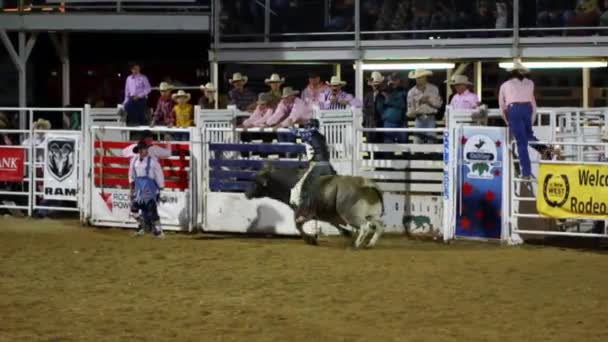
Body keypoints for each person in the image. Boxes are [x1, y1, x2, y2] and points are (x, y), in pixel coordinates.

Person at [499, 60, 558, 180]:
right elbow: (533, 104)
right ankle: (546, 149)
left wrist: (507, 120)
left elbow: (502, 105)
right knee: (529, 136)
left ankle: (526, 172)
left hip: (514, 110)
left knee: (521, 142)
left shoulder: (505, 85)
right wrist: (532, 118)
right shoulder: (530, 84)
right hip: (527, 109)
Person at [288, 119, 337, 223]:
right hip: (328, 165)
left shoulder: (309, 134)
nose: (306, 127)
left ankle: (305, 213)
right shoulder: (321, 136)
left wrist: (290, 125)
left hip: (318, 166)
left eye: (307, 125)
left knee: (305, 187)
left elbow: (294, 132)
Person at [129, 140, 165, 238]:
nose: (142, 151)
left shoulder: (153, 162)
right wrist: (131, 189)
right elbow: (131, 175)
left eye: (144, 149)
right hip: (138, 188)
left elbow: (159, 175)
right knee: (134, 209)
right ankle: (142, 225)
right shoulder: (134, 161)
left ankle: (159, 231)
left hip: (150, 188)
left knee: (152, 210)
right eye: (141, 149)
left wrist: (161, 188)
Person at [406, 69, 443, 144]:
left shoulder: (434, 89)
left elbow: (439, 105)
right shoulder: (411, 92)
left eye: (420, 77)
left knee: (431, 141)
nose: (418, 79)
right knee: (417, 142)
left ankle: (431, 155)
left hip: (431, 118)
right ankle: (418, 155)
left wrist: (429, 101)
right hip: (418, 118)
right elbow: (410, 111)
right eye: (417, 78)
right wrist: (419, 103)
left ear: (425, 77)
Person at [123, 62, 152, 126]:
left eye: (137, 68)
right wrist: (125, 101)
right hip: (131, 98)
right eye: (134, 68)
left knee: (141, 114)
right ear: (131, 69)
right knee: (127, 106)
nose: (136, 70)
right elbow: (126, 91)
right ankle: (135, 122)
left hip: (141, 98)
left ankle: (143, 127)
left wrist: (139, 96)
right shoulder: (128, 78)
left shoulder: (143, 77)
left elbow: (148, 89)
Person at [383, 73, 408, 143]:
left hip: (401, 122)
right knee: (388, 146)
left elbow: (402, 104)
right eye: (391, 80)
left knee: (404, 146)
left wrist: (389, 101)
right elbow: (382, 105)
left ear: (399, 80)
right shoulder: (385, 91)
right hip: (388, 122)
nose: (393, 81)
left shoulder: (404, 91)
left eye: (395, 80)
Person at [363, 71, 386, 143]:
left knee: (381, 145)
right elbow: (364, 109)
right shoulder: (368, 95)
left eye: (377, 85)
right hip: (370, 124)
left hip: (381, 124)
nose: (375, 86)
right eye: (374, 85)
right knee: (370, 145)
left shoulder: (384, 95)